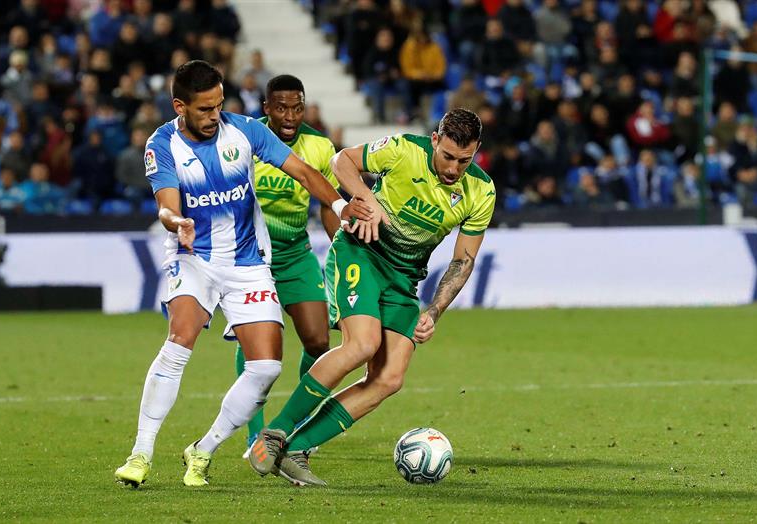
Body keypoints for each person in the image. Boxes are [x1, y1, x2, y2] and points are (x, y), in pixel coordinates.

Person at [114, 60, 373, 488]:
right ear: (180, 106)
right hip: (193, 255)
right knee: (180, 339)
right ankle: (140, 453)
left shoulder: (245, 131)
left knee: (267, 367)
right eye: (204, 109)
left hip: (248, 261)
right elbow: (166, 205)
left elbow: (304, 172)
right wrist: (177, 223)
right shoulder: (162, 144)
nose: (214, 116)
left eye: (219, 105)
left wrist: (341, 206)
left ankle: (203, 450)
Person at [248, 108, 496, 486]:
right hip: (362, 253)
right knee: (362, 345)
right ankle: (275, 432)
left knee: (389, 378)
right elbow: (341, 161)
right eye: (447, 156)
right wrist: (366, 198)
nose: (453, 168)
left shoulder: (481, 191)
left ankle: (296, 449)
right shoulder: (403, 149)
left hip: (404, 279)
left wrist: (434, 311)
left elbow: (463, 260)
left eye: (464, 160)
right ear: (434, 140)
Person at [235, 74, 342, 456]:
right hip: (252, 256)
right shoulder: (245, 140)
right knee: (259, 348)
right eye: (281, 108)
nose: (290, 116)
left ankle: (294, 428)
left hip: (296, 252)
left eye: (297, 108)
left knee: (318, 340)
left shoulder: (319, 146)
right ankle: (254, 435)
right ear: (266, 108)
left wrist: (342, 247)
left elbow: (328, 203)